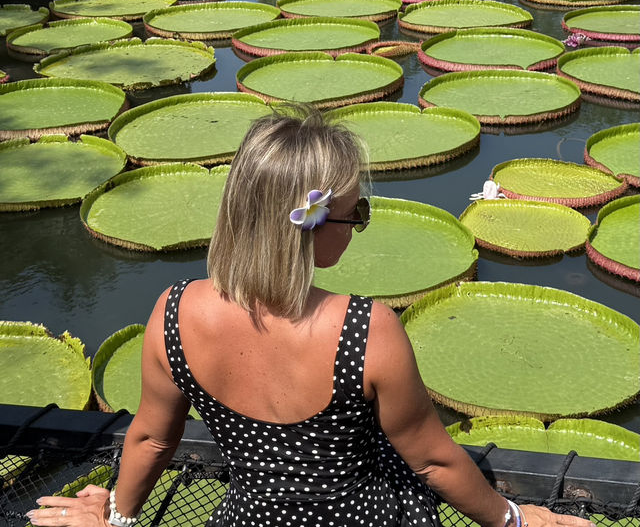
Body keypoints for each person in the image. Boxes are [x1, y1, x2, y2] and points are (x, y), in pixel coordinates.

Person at [28, 109, 593, 527]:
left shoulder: (173, 313)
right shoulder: (367, 330)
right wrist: (517, 519)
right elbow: (433, 460)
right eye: (356, 214)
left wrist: (118, 518)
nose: (359, 225)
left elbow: (151, 437)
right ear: (311, 224)